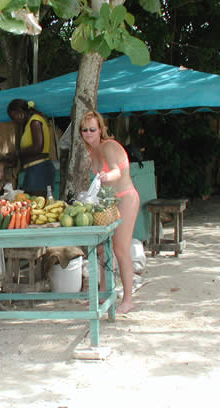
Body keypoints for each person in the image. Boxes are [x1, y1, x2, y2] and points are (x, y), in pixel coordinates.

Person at [79, 111, 140, 314]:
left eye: (92, 129)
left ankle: (128, 299)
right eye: (84, 129)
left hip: (126, 197)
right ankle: (103, 293)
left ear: (100, 129)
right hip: (110, 201)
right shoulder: (90, 150)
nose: (88, 133)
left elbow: (117, 171)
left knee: (120, 249)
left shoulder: (108, 146)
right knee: (103, 248)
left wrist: (106, 177)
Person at [4, 99, 55, 197]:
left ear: (20, 113)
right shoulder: (29, 124)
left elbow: (38, 147)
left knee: (37, 205)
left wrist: (17, 153)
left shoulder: (35, 121)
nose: (14, 121)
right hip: (33, 170)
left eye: (13, 117)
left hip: (39, 171)